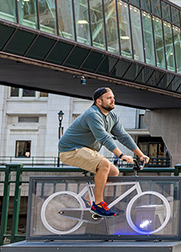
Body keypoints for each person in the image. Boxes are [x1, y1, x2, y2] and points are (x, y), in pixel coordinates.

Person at [58, 87, 150, 217]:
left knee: (114, 171)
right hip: (71, 150)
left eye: (113, 97)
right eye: (109, 98)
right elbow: (104, 137)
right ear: (99, 102)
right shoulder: (92, 114)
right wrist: (122, 155)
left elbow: (123, 136)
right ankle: (98, 204)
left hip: (86, 150)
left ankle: (89, 199)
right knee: (104, 164)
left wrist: (140, 154)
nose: (113, 100)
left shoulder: (112, 116)